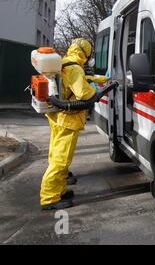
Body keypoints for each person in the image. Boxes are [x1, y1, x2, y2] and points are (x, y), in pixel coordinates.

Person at [40, 38, 101, 210]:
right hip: (68, 119)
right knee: (61, 160)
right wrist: (94, 90)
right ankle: (49, 198)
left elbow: (75, 81)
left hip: (58, 117)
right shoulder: (75, 68)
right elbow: (83, 93)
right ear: (85, 54)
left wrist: (96, 79)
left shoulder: (64, 63)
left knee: (56, 155)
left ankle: (59, 190)